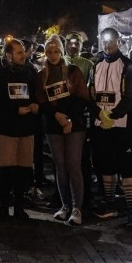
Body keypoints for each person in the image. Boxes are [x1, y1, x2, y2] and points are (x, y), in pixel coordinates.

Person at [0, 38, 41, 220]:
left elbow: (38, 95)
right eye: (19, 52)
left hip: (26, 130)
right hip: (6, 131)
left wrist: (36, 105)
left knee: (23, 169)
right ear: (9, 56)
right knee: (5, 170)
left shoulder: (30, 74)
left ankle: (19, 206)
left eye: (23, 52)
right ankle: (3, 206)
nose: (23, 55)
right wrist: (15, 110)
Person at [90, 28, 132, 225]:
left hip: (122, 125)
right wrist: (99, 114)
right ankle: (110, 204)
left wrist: (113, 115)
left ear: (119, 41)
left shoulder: (128, 66)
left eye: (111, 40)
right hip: (101, 125)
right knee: (106, 165)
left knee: (127, 167)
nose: (107, 44)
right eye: (104, 40)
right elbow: (90, 94)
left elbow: (131, 97)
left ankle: (131, 209)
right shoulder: (96, 65)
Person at [37, 36, 89, 225]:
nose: (53, 55)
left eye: (56, 51)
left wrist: (69, 119)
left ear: (61, 51)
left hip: (74, 124)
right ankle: (65, 205)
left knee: (73, 164)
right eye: (49, 52)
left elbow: (83, 97)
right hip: (53, 125)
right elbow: (41, 101)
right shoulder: (42, 75)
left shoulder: (73, 71)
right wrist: (56, 115)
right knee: (60, 166)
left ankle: (77, 207)